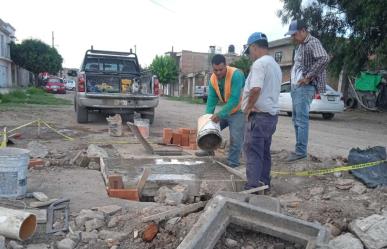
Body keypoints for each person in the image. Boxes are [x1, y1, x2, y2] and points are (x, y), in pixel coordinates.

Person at [285, 20, 329, 162]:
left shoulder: (312, 42)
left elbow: (324, 58)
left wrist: (309, 77)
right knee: (296, 119)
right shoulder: (302, 45)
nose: (293, 37)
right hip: (297, 87)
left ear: (303, 30)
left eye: (295, 34)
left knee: (301, 120)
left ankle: (301, 151)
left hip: (304, 88)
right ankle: (300, 150)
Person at [242, 32, 282, 190]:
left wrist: (249, 107)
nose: (250, 55)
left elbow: (256, 88)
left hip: (258, 117)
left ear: (254, 47)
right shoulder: (275, 65)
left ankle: (252, 188)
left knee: (253, 152)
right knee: (264, 152)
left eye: (249, 51)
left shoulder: (260, 64)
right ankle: (264, 184)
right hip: (271, 117)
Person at [196, 54, 245, 168]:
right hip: (226, 110)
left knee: (235, 137)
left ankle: (233, 162)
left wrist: (220, 114)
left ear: (226, 66)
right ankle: (208, 150)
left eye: (220, 69)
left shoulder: (236, 75)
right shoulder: (213, 78)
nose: (218, 72)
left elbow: (234, 99)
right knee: (209, 129)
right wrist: (207, 117)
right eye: (215, 70)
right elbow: (212, 99)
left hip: (239, 110)